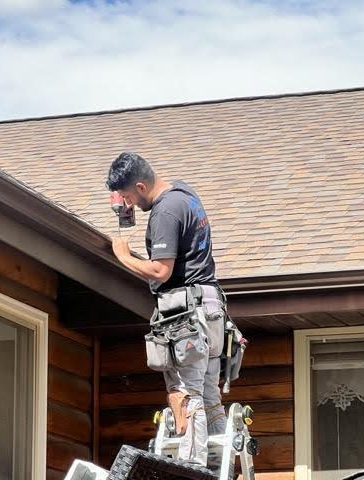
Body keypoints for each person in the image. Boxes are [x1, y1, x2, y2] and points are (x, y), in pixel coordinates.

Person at [106, 151, 227, 466]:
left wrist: (123, 255)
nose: (129, 202)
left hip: (186, 316)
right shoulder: (184, 193)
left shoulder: (165, 213)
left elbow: (161, 271)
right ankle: (219, 466)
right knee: (209, 395)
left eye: (130, 196)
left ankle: (193, 466)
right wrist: (125, 216)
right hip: (211, 308)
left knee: (186, 393)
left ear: (142, 186)